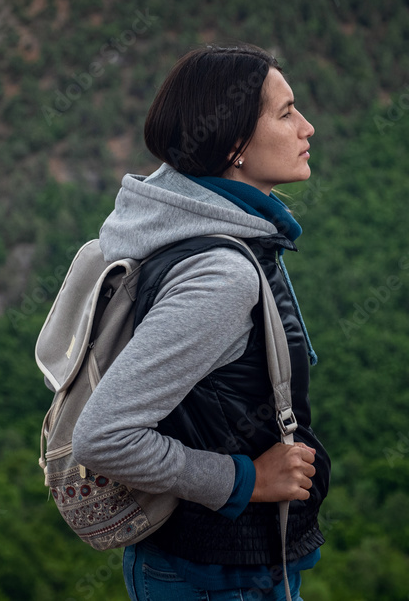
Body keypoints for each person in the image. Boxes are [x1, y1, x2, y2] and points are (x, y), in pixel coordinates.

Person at [71, 44, 330, 601]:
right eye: (286, 114)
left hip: (226, 566)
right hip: (218, 579)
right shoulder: (221, 275)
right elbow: (103, 437)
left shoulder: (194, 224)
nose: (307, 127)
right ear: (235, 144)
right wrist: (246, 480)